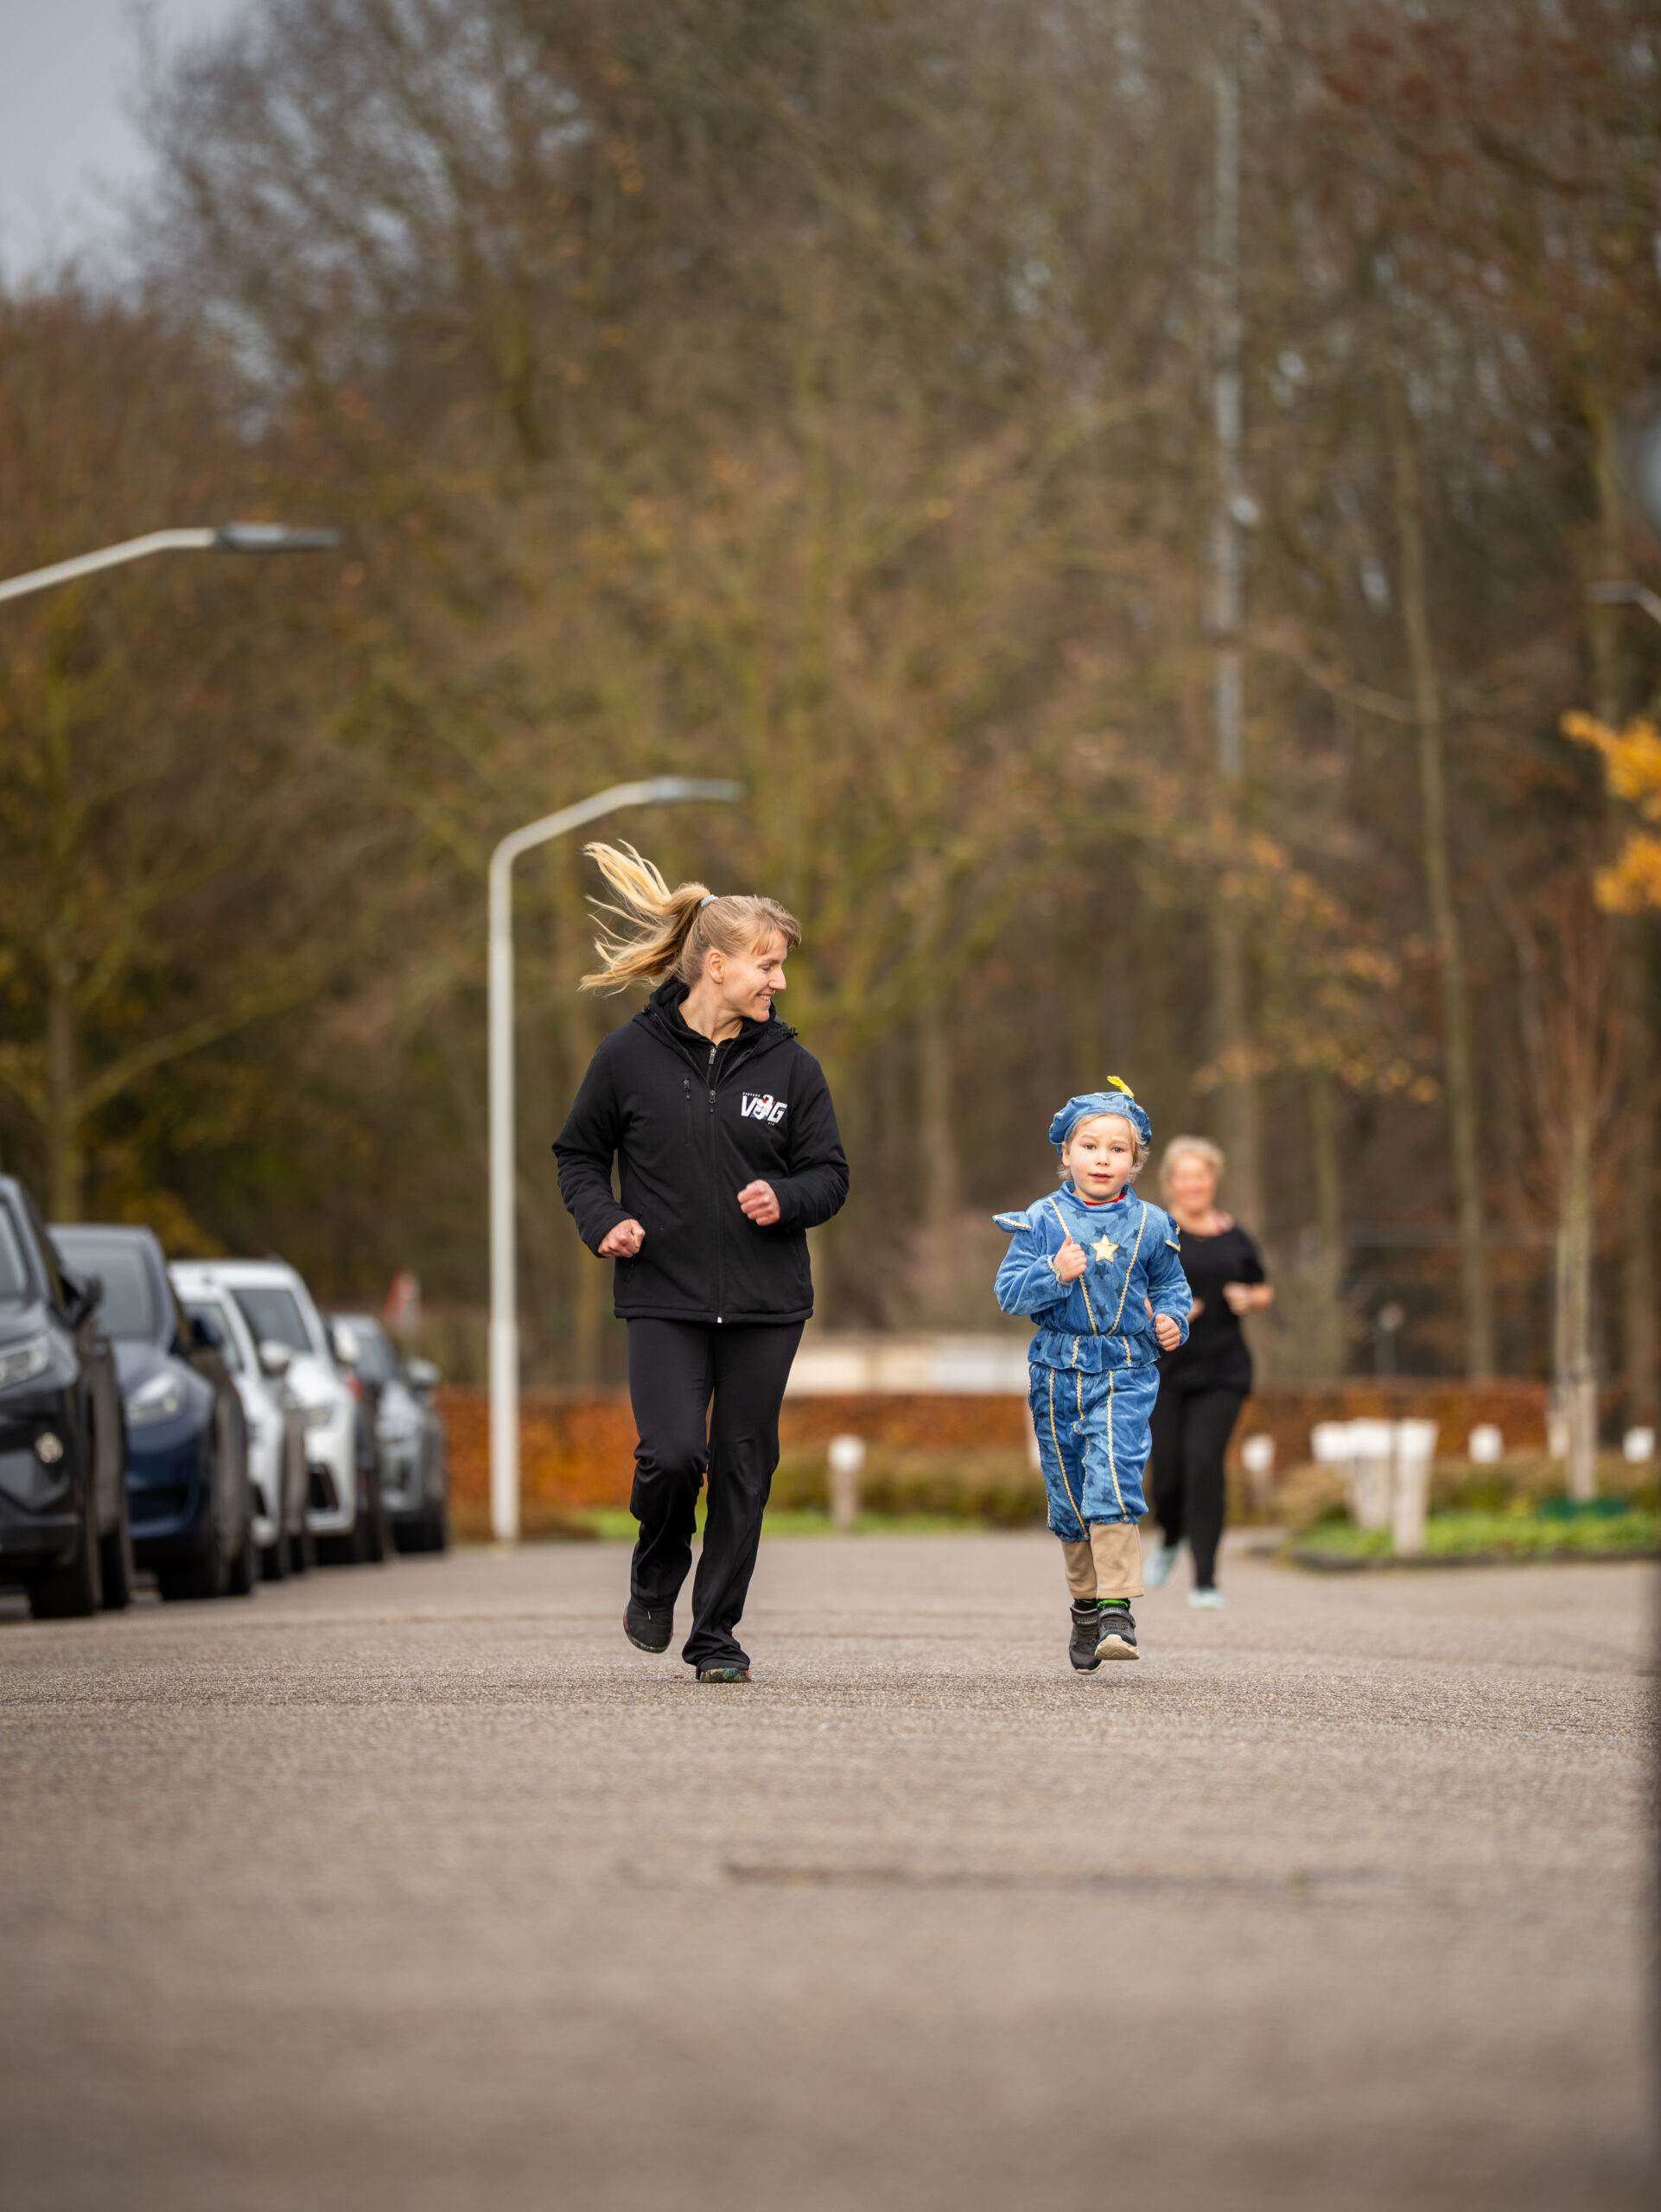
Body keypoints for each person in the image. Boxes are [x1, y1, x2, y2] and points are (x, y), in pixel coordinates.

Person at [553, 845, 848, 1683]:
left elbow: (830, 1176)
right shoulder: (625, 1058)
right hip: (663, 1296)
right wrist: (604, 1221)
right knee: (674, 1454)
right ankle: (655, 1572)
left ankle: (715, 1635)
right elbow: (578, 1156)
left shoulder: (793, 1067)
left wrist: (785, 1198)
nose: (779, 982)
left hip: (766, 1303)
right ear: (716, 966)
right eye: (768, 966)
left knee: (744, 1468)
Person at [993, 1081, 1192, 1671]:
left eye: (1117, 1149)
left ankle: (1117, 1609)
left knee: (1113, 1475)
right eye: (1090, 1146)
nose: (1103, 1159)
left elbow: (1172, 1287)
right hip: (1056, 1372)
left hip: (1126, 1369)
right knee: (1070, 1495)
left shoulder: (1153, 1225)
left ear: (1136, 1161)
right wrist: (1053, 1272)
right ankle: (1085, 1605)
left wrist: (1173, 1319)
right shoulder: (1041, 1219)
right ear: (1066, 1152)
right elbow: (1008, 1294)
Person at [1143, 1135, 1274, 1608]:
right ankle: (1170, 1536)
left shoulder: (1236, 1236)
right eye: (1185, 1176)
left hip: (1224, 1369)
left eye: (1201, 1176)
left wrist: (1249, 1298)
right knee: (1167, 1473)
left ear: (1212, 1180)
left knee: (1204, 1464)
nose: (1194, 1184)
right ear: (1171, 1182)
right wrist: (1166, 1312)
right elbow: (1130, 1291)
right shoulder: (1155, 1232)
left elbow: (1263, 1288)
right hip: (1166, 1370)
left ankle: (1205, 1579)